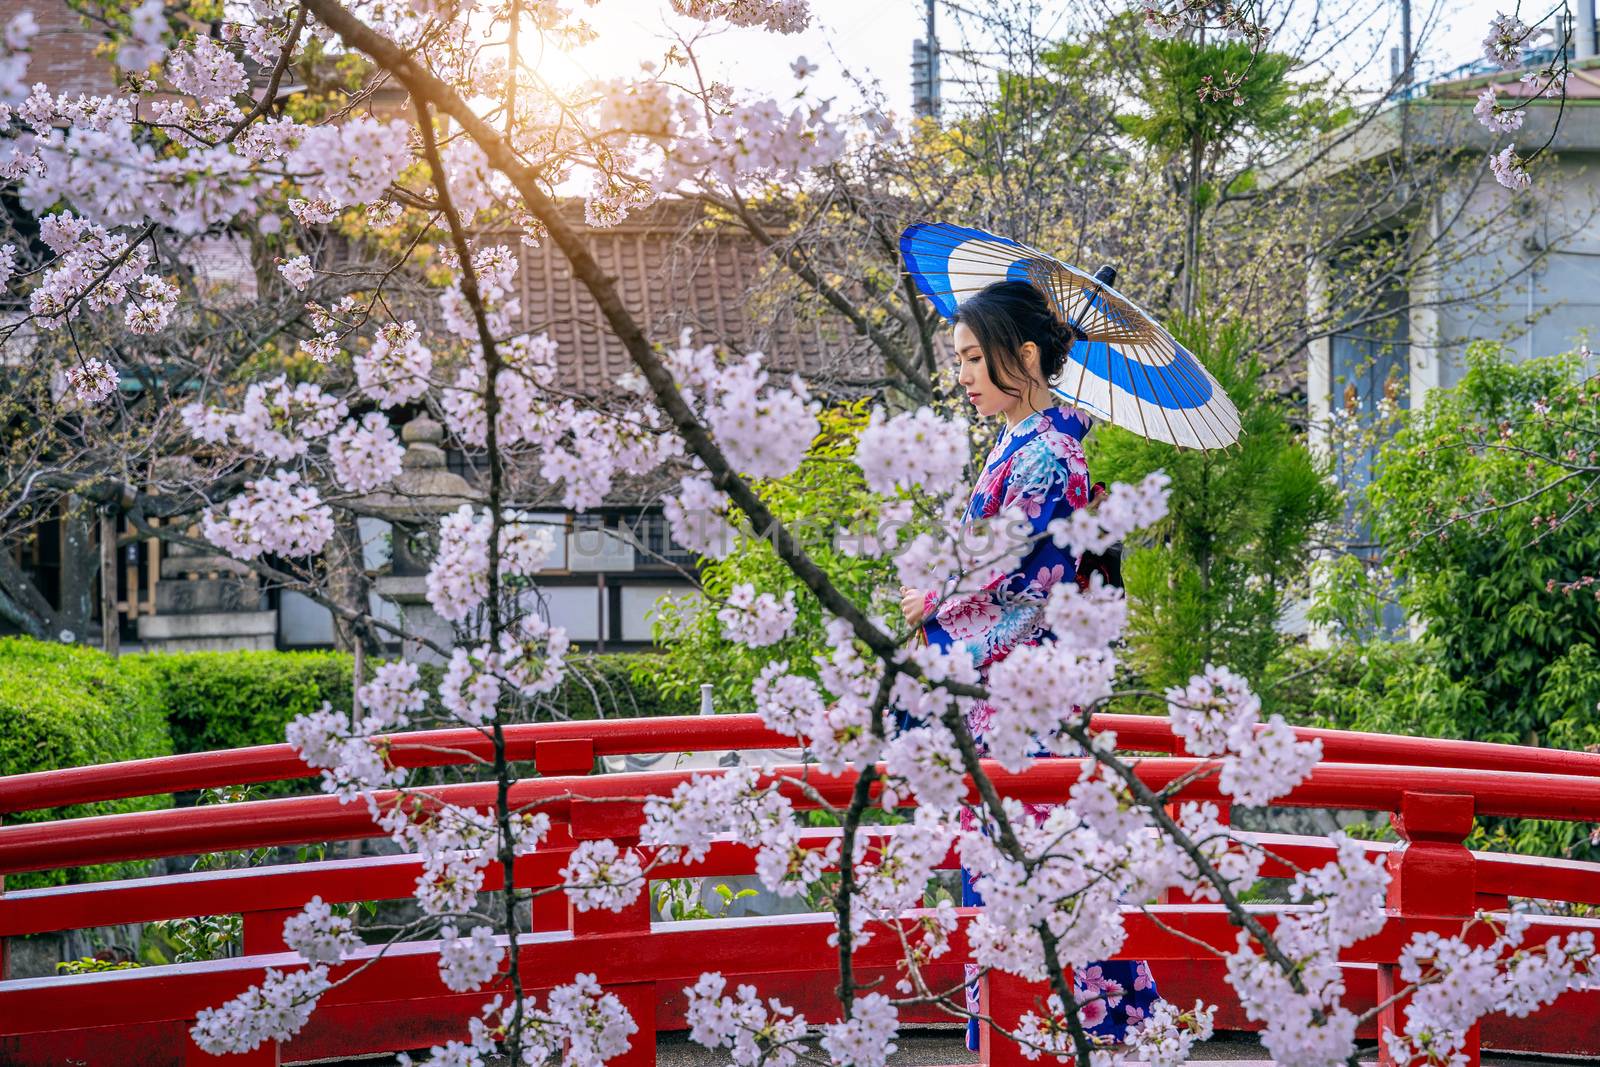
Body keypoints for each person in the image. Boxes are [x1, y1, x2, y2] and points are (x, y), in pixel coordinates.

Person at [897, 279, 1160, 1050]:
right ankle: (1053, 1034)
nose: (966, 375)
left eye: (977, 358)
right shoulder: (1026, 442)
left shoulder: (1049, 454)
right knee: (1022, 877)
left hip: (1022, 698)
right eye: (961, 359)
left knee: (1038, 877)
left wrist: (937, 605)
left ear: (1030, 355)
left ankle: (1074, 1034)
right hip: (1004, 702)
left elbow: (1023, 585)